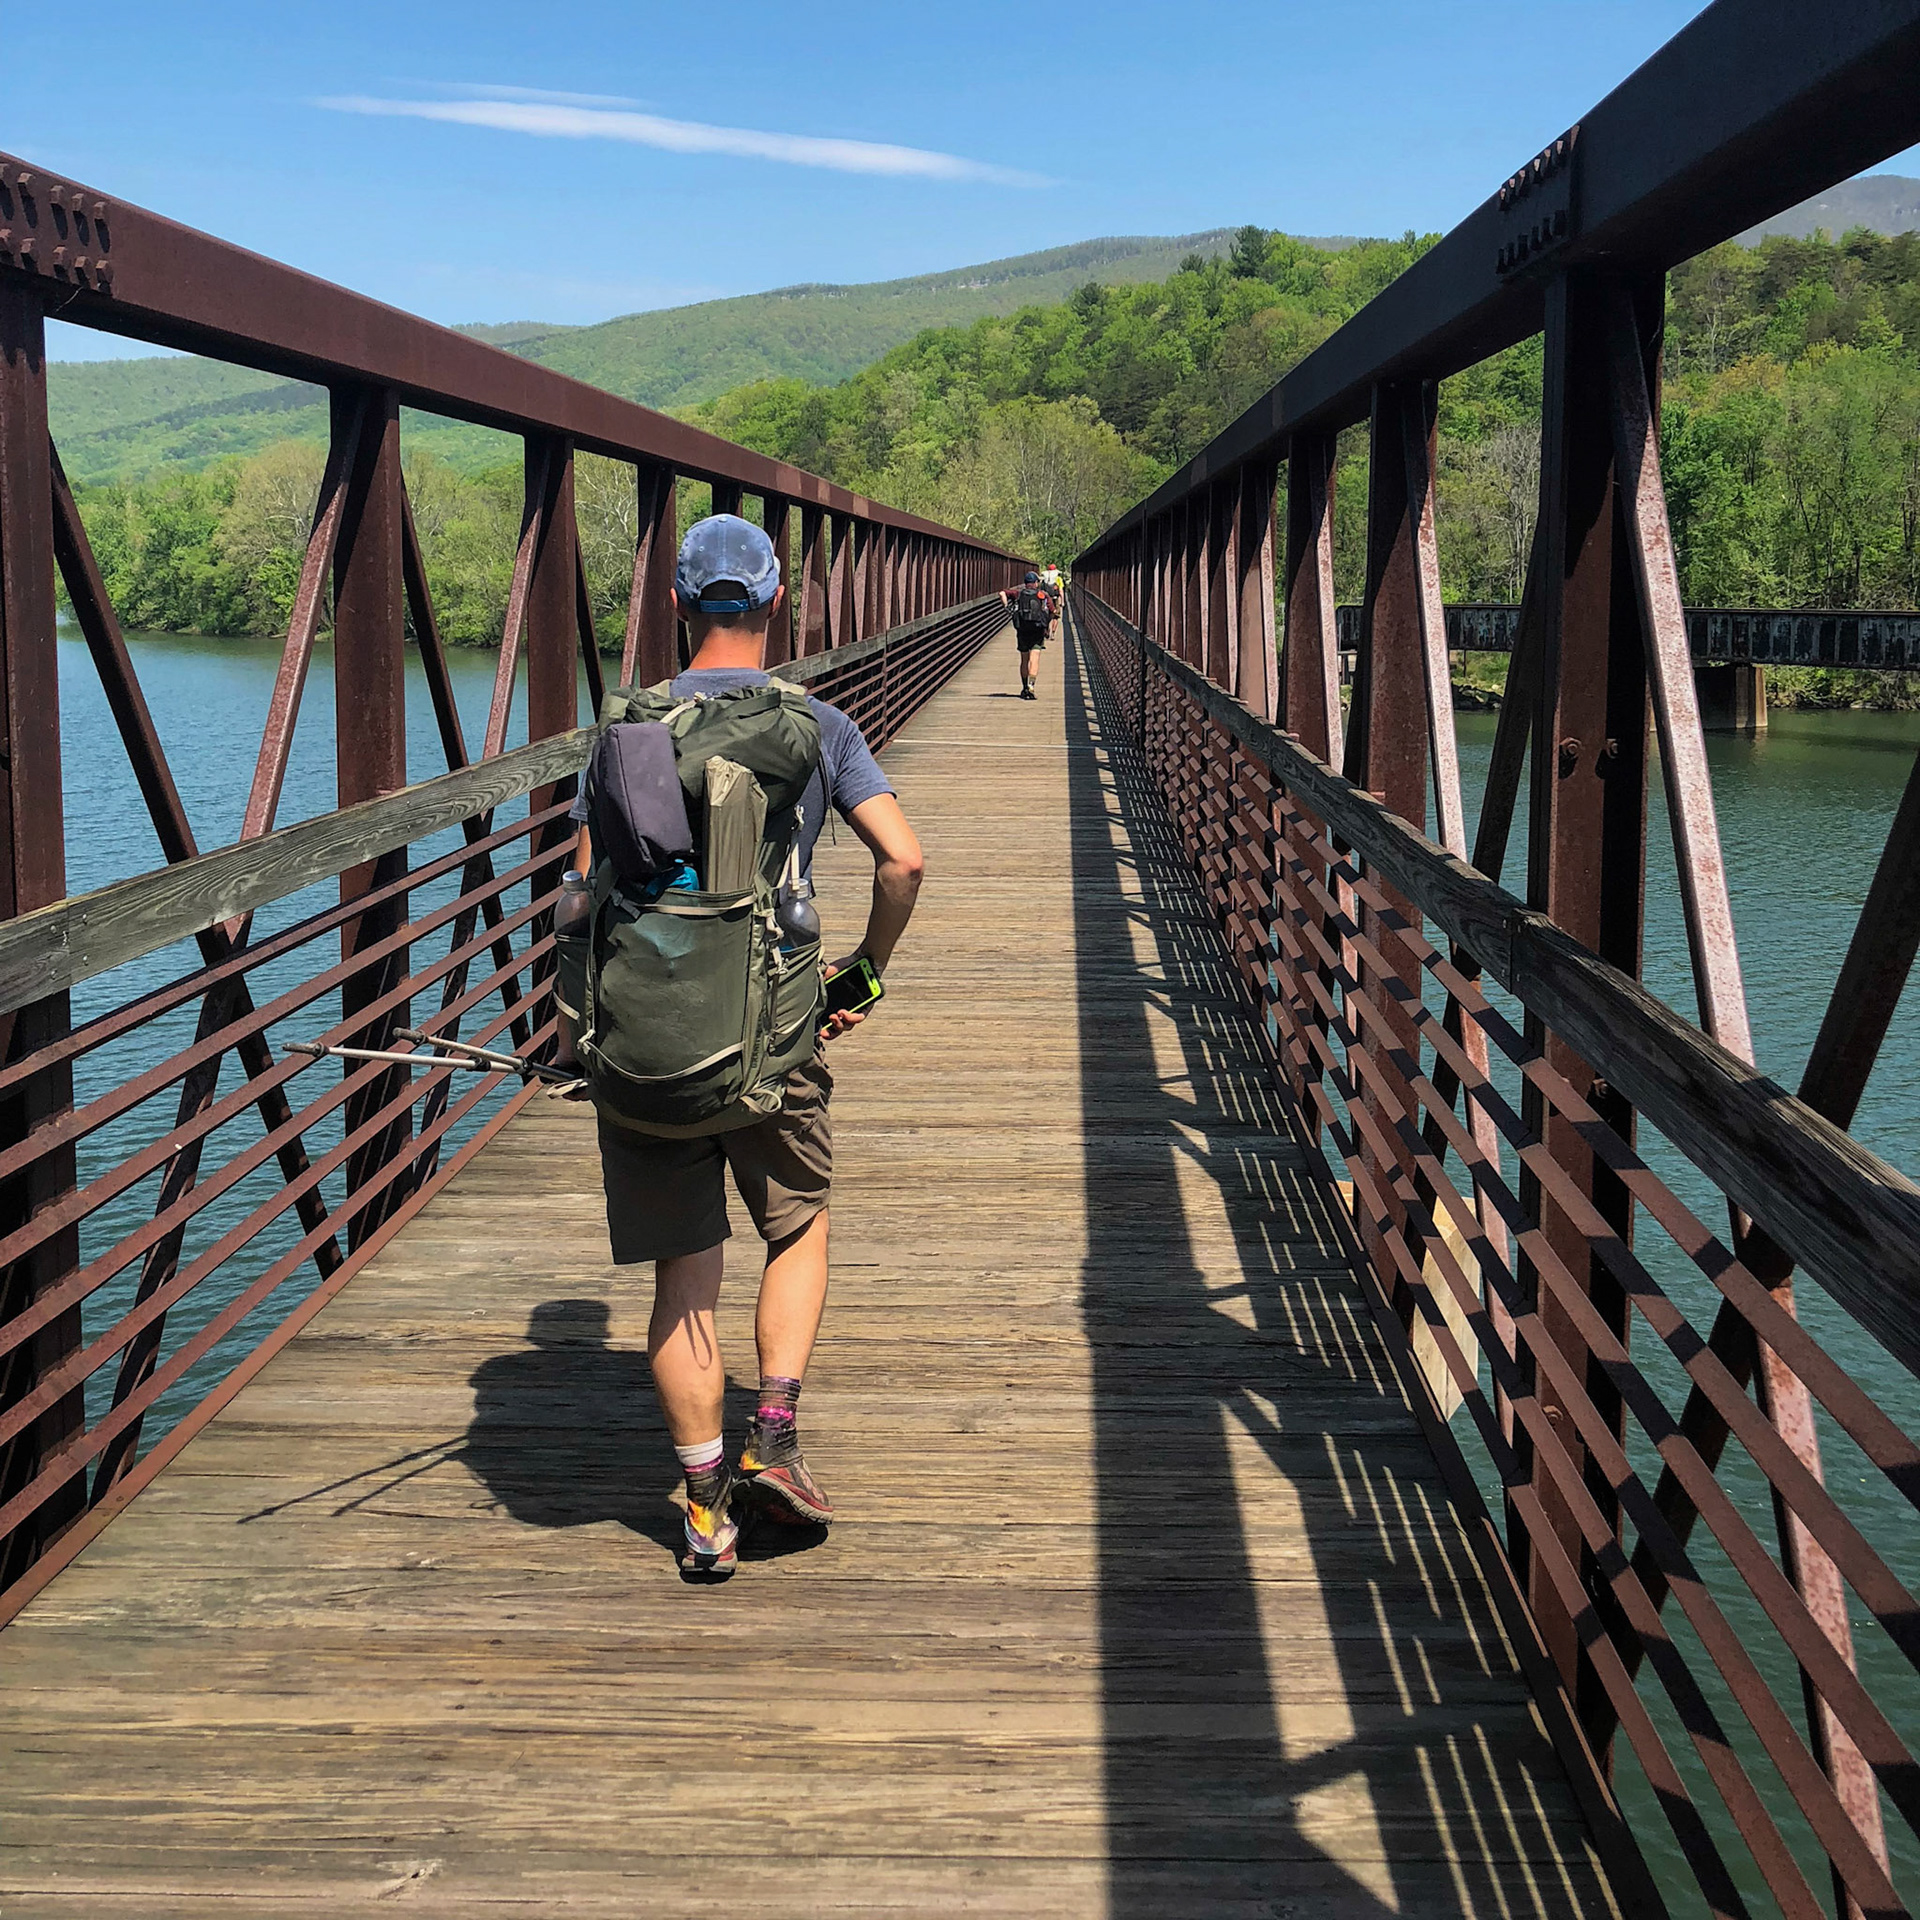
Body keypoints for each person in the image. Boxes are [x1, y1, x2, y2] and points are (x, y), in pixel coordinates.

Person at [567, 514, 925, 1579]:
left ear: (678, 605)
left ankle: (703, 1510)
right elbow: (903, 862)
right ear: (778, 602)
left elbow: (584, 893)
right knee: (797, 1223)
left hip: (649, 1044)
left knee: (683, 1274)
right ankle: (773, 1436)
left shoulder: (627, 729)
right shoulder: (819, 726)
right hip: (774, 1038)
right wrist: (865, 970)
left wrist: (580, 1028)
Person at [1002, 569, 1056, 701]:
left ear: (1025, 583)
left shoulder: (1018, 593)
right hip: (1038, 630)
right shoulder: (1043, 595)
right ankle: (1032, 686)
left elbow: (1002, 593)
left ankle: (1024, 687)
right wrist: (1047, 625)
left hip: (1023, 630)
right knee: (1034, 658)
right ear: (1036, 583)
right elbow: (1052, 612)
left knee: (1024, 660)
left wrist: (1006, 607)